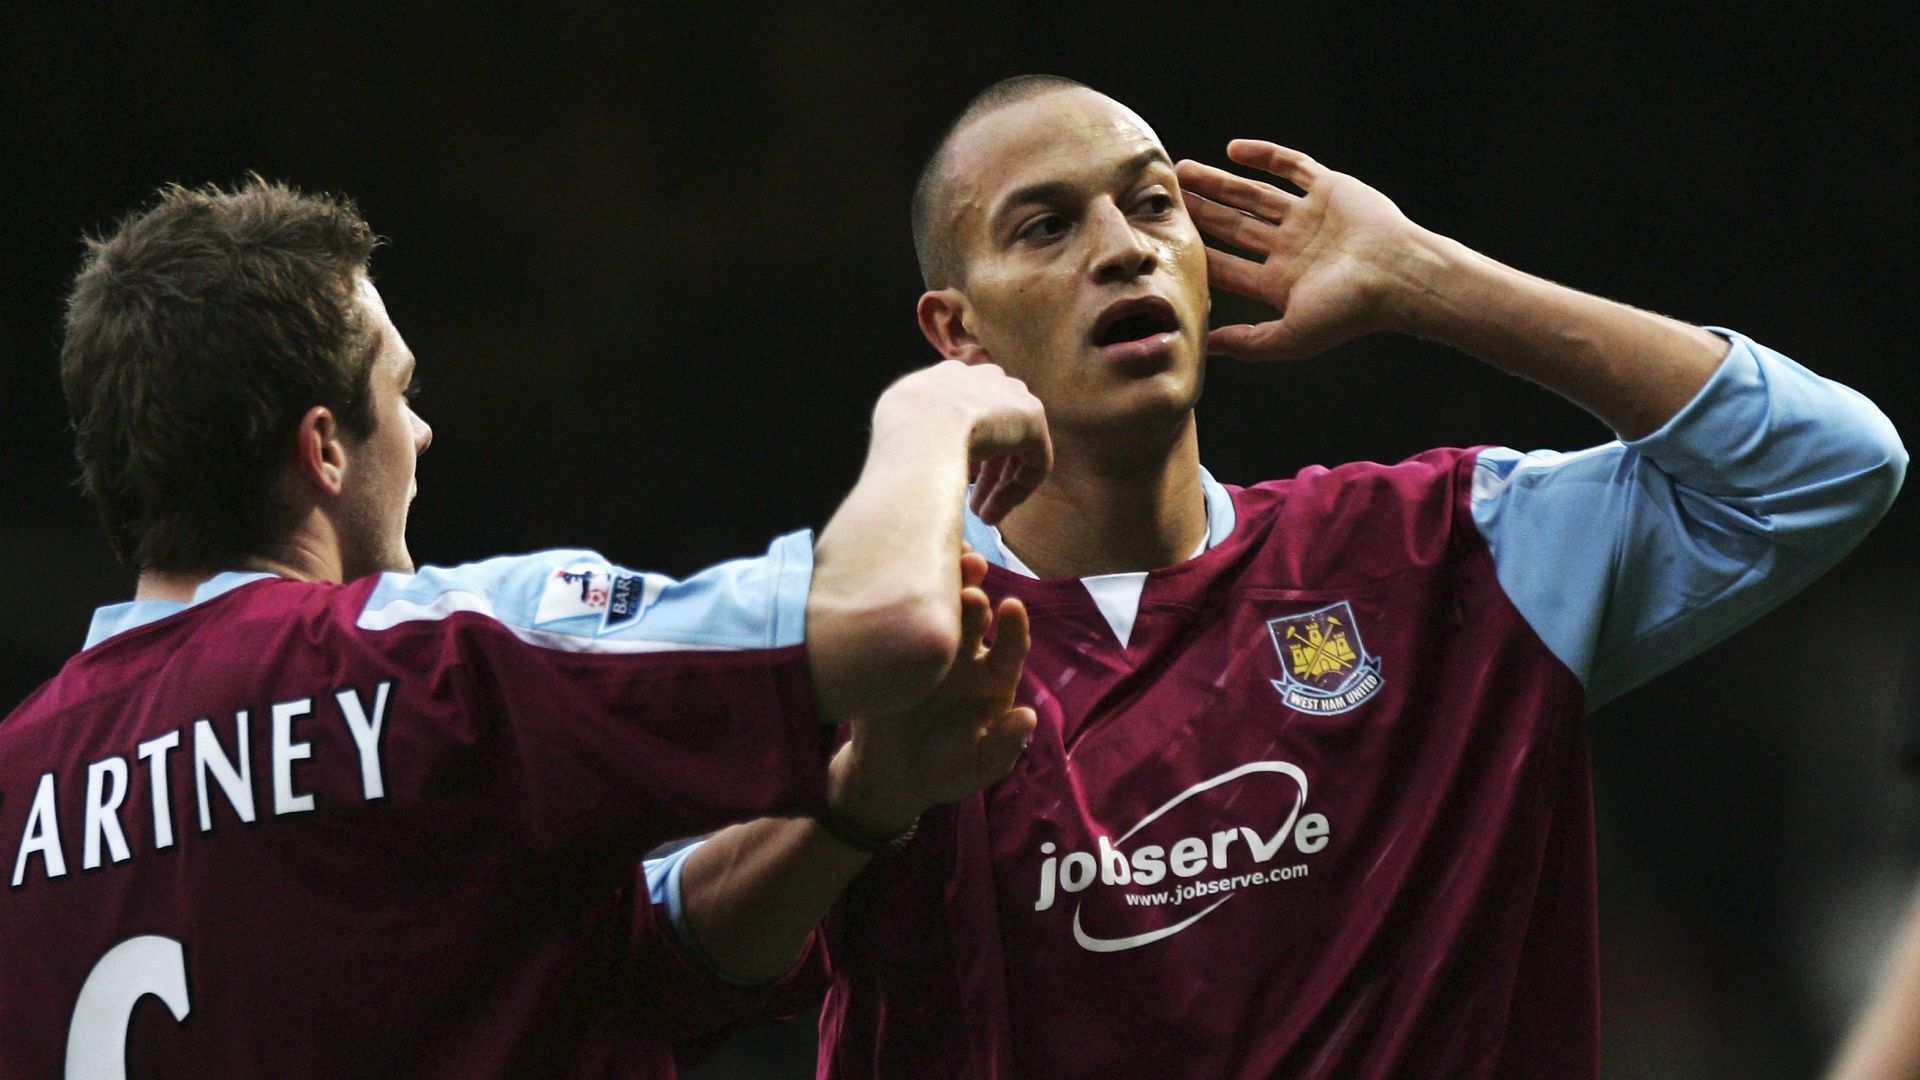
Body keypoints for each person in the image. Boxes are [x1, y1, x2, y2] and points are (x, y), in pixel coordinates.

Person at [661, 75, 1908, 1077]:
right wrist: (859, 804)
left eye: (1152, 208)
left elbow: (1828, 466)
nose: (1123, 250)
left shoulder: (1445, 558)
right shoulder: (866, 632)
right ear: (958, 330)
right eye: (1047, 225)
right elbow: (662, 957)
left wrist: (1432, 281)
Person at [0, 178, 1049, 1078]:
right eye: (399, 391)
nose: (420, 432)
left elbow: (626, 961)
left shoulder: (16, 785)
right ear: (323, 450)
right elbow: (886, 622)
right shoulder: (428, 659)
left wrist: (861, 806)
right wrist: (932, 415)